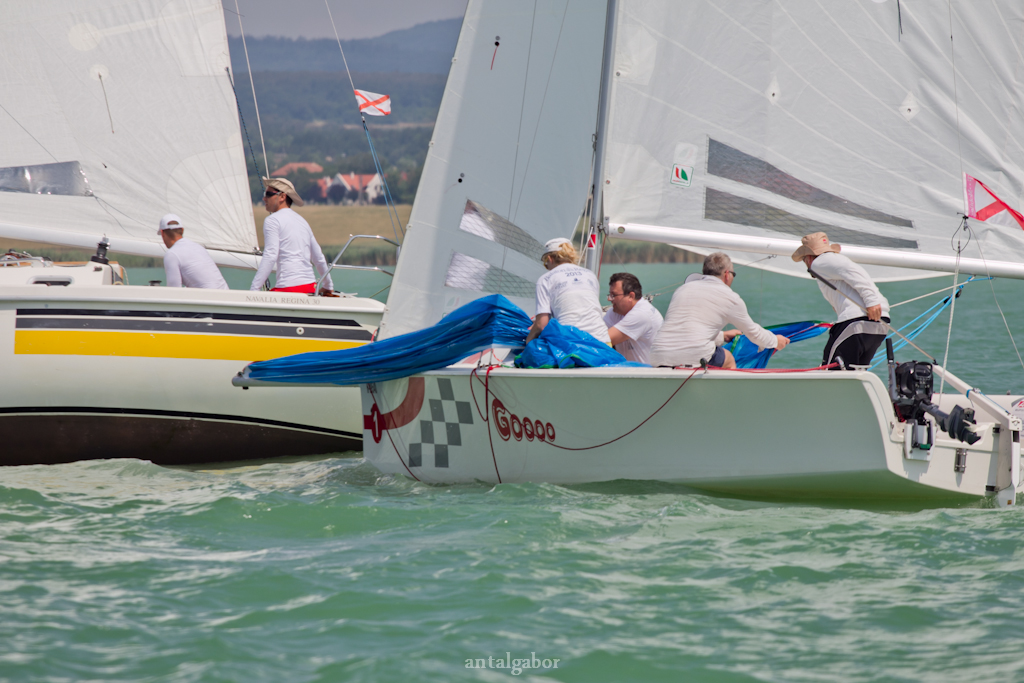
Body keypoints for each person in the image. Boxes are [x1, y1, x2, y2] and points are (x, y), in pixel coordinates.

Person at [650, 252, 789, 368]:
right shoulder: (731, 298)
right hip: (694, 355)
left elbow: (686, 330)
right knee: (728, 359)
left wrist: (723, 336)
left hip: (657, 354)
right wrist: (775, 341)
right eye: (734, 274)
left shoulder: (682, 289)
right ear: (727, 274)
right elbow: (754, 333)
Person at [792, 232, 890, 369]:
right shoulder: (829, 263)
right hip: (879, 321)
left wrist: (871, 301)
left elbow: (854, 272)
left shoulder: (821, 261)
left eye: (804, 259)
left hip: (857, 321)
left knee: (831, 369)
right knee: (855, 371)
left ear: (808, 257)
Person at [250, 178, 334, 294]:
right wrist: (328, 286)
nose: (264, 198)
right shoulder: (303, 221)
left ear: (282, 197)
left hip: (288, 288)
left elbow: (270, 255)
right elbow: (318, 257)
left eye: (268, 194)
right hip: (310, 288)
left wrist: (253, 290)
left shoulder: (272, 220)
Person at [525, 238, 611, 345]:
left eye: (545, 263)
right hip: (603, 341)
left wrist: (528, 341)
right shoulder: (590, 275)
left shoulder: (545, 279)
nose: (547, 267)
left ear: (550, 259)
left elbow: (542, 325)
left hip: (571, 344)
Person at [603, 272, 663, 364]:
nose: (609, 299)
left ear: (631, 296)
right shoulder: (615, 311)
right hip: (627, 369)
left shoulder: (641, 314)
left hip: (648, 371)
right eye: (610, 295)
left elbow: (603, 339)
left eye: (614, 295)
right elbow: (597, 333)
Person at [158, 213, 229, 289]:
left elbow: (174, 289)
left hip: (207, 295)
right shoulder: (199, 247)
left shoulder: (172, 254)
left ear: (162, 233)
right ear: (182, 230)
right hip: (226, 293)